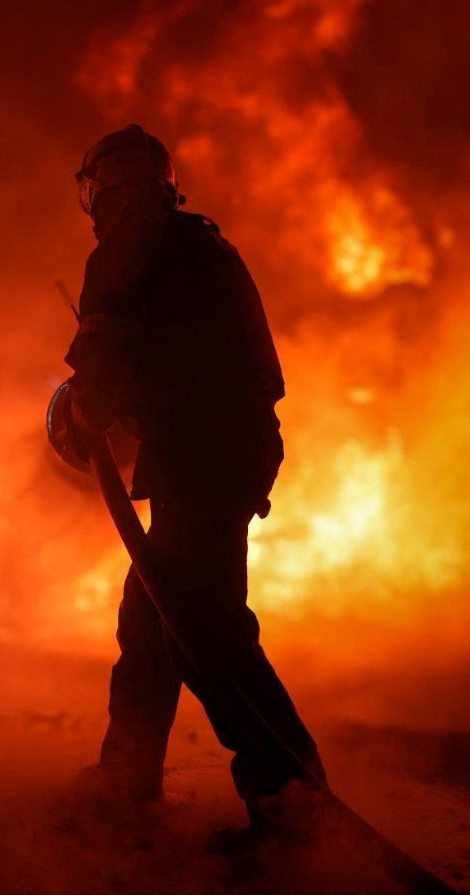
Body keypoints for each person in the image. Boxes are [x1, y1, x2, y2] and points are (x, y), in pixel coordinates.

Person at [55, 124, 326, 834]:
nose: (99, 209)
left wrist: (78, 407)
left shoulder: (124, 253)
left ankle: (292, 798)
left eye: (100, 194)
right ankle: (127, 776)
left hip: (205, 458)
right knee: (152, 616)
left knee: (203, 630)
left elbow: (102, 376)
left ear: (108, 192)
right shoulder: (202, 248)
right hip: (225, 454)